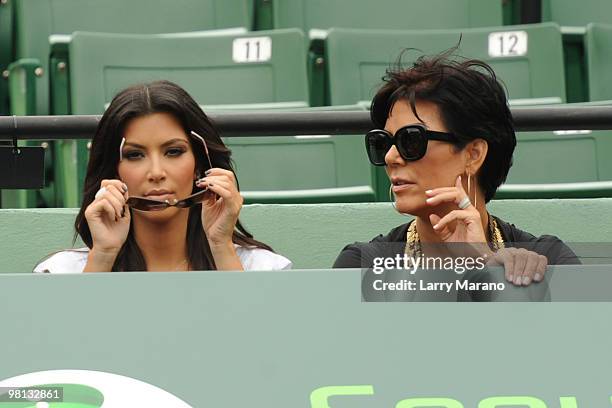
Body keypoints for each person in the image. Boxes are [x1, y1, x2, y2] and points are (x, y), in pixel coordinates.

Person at [333, 51, 578, 286]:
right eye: (383, 142)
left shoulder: (548, 262)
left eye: (411, 140)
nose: (390, 156)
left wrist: (487, 267)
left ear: (473, 155)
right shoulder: (362, 266)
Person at [34, 80, 291, 273]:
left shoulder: (261, 268)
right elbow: (69, 341)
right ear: (113, 171)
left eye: (174, 151)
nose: (156, 173)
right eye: (135, 155)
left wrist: (220, 246)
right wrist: (103, 255)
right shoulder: (63, 272)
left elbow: (258, 339)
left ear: (200, 165)